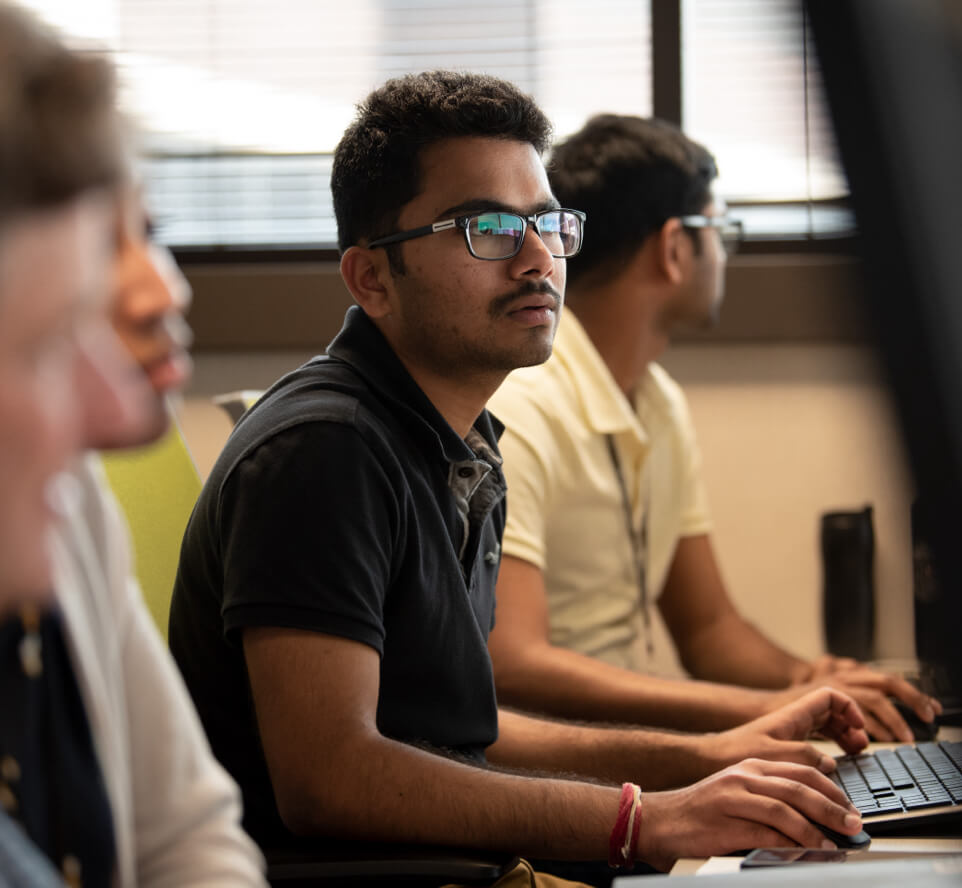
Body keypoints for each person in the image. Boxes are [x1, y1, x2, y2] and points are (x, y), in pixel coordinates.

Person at [169, 71, 868, 884]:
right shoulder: (325, 451)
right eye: (487, 230)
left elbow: (470, 731)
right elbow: (330, 778)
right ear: (371, 279)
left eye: (546, 223)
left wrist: (707, 757)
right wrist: (642, 820)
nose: (539, 258)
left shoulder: (462, 443)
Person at [486, 113, 940, 743]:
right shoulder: (523, 405)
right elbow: (513, 661)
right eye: (720, 230)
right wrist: (752, 712)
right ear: (674, 248)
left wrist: (810, 679)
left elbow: (709, 631)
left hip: (636, 755)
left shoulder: (659, 403)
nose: (725, 253)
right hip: (563, 776)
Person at [0, 4, 265, 884]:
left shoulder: (64, 504)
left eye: (150, 231)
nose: (107, 409)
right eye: (46, 341)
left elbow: (186, 833)